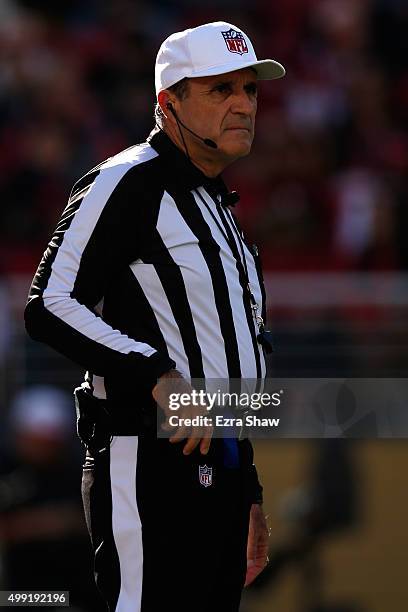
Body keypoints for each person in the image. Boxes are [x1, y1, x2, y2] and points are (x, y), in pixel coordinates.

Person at [24, 21, 285, 612]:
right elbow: (48, 304)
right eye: (221, 91)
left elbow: (230, 365)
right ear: (169, 104)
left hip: (217, 471)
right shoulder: (126, 182)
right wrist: (155, 375)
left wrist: (247, 487)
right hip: (148, 464)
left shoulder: (219, 209)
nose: (244, 105)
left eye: (250, 90)